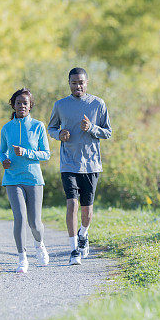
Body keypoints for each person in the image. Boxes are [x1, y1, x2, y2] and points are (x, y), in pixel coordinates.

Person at [47, 67, 112, 265]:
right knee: (72, 204)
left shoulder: (98, 104)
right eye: (74, 83)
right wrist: (59, 135)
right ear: (69, 83)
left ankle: (83, 233)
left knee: (87, 211)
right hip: (68, 163)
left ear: (87, 83)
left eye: (81, 82)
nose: (78, 86)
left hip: (91, 164)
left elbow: (108, 132)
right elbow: (51, 127)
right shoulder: (60, 105)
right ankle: (74, 249)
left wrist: (91, 128)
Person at [0, 88, 51, 273]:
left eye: (25, 103)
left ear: (30, 107)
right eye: (18, 102)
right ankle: (22, 259)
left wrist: (27, 153)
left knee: (35, 223)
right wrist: (4, 161)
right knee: (19, 218)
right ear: (13, 105)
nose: (22, 106)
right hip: (12, 178)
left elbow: (46, 154)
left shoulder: (38, 126)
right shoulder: (6, 128)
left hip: (34, 179)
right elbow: (2, 151)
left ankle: (40, 245)